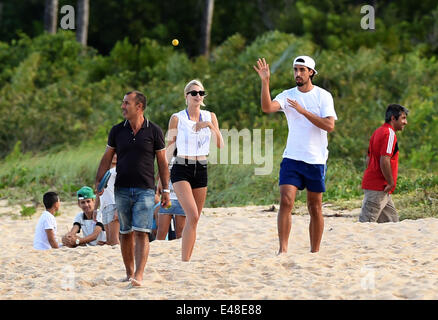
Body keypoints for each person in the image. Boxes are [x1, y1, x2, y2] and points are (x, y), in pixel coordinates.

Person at [253, 56, 337, 254]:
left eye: (302, 70)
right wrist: (265, 82)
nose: (298, 74)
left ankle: (314, 252)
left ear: (311, 73)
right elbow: (267, 108)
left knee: (314, 207)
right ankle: (283, 250)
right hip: (292, 158)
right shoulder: (288, 95)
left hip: (315, 159)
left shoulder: (323, 96)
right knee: (285, 200)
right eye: (295, 70)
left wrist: (303, 111)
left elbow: (329, 125)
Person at [94, 90, 170, 288]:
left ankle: (139, 274)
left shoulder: (154, 131)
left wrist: (166, 190)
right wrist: (98, 181)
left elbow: (162, 162)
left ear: (139, 107)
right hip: (122, 189)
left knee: (141, 232)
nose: (123, 106)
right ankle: (129, 273)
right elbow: (107, 157)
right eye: (123, 103)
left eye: (127, 103)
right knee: (125, 233)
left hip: (146, 189)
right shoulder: (117, 131)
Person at [166, 79, 224, 261]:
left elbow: (220, 145)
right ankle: (184, 261)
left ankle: (187, 261)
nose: (198, 96)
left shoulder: (210, 115)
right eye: (194, 93)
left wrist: (210, 126)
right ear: (186, 96)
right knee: (191, 214)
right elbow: (169, 148)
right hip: (181, 167)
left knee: (195, 218)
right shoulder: (177, 118)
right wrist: (162, 178)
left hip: (201, 167)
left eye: (201, 93)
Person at [359, 104, 409, 223]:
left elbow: (368, 159)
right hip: (379, 188)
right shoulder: (389, 133)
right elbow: (384, 160)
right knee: (366, 225)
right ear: (393, 118)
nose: (405, 122)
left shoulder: (378, 131)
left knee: (392, 224)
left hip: (380, 189)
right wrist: (391, 182)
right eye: (403, 118)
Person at [156, 156, 186, 240]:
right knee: (161, 233)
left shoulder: (188, 158)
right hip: (168, 199)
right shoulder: (168, 156)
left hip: (181, 199)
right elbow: (162, 173)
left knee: (180, 234)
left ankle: (180, 253)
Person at [96, 153, 119, 245]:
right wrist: (95, 209)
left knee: (114, 240)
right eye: (112, 153)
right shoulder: (105, 171)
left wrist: (118, 208)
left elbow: (121, 190)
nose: (114, 156)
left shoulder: (119, 170)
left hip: (114, 204)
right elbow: (99, 191)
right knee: (109, 240)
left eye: (117, 154)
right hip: (105, 206)